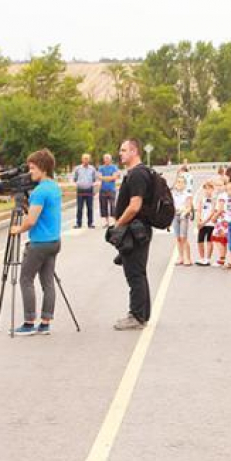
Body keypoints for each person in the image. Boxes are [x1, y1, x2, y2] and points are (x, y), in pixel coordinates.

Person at [9, 149, 62, 336]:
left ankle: (29, 323)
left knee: (25, 279)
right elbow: (39, 214)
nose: (30, 172)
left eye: (32, 168)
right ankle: (45, 323)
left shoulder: (40, 191)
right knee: (47, 282)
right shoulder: (54, 187)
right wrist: (26, 204)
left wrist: (17, 229)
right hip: (54, 241)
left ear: (43, 168)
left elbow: (31, 221)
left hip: (39, 243)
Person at [113, 138, 153, 331]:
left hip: (135, 230)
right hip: (138, 230)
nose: (120, 153)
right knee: (139, 272)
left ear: (134, 151)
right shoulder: (138, 172)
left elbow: (135, 205)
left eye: (123, 150)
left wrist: (118, 225)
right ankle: (143, 313)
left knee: (134, 274)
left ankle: (136, 315)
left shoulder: (137, 174)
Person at [171, 175, 194, 266]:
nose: (179, 184)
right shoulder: (173, 194)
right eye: (178, 182)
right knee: (178, 238)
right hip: (175, 216)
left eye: (181, 182)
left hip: (183, 216)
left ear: (185, 184)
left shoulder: (187, 194)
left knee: (183, 237)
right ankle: (180, 257)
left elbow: (188, 207)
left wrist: (184, 213)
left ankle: (187, 258)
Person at [73, 153, 97, 229]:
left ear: (89, 160)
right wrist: (79, 183)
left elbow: (94, 179)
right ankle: (78, 223)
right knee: (79, 208)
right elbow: (75, 178)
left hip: (89, 190)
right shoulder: (77, 168)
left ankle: (90, 223)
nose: (86, 160)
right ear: (82, 159)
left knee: (90, 207)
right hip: (80, 190)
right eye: (84, 158)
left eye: (87, 158)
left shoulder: (92, 169)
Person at [195, 181, 216, 267]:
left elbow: (212, 213)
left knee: (209, 241)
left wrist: (204, 222)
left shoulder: (214, 200)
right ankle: (202, 257)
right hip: (202, 223)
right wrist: (198, 221)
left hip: (210, 223)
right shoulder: (201, 199)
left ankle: (207, 258)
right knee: (200, 241)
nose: (208, 191)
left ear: (212, 189)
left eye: (209, 189)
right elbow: (198, 211)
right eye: (206, 189)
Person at [97, 154, 119, 228]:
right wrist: (109, 177)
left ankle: (115, 221)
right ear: (104, 160)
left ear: (111, 159)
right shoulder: (101, 168)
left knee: (113, 205)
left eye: (108, 158)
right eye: (105, 158)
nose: (106, 160)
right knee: (103, 206)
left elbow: (114, 177)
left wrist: (104, 178)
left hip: (111, 189)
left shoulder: (114, 167)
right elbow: (99, 177)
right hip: (103, 189)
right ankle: (106, 222)